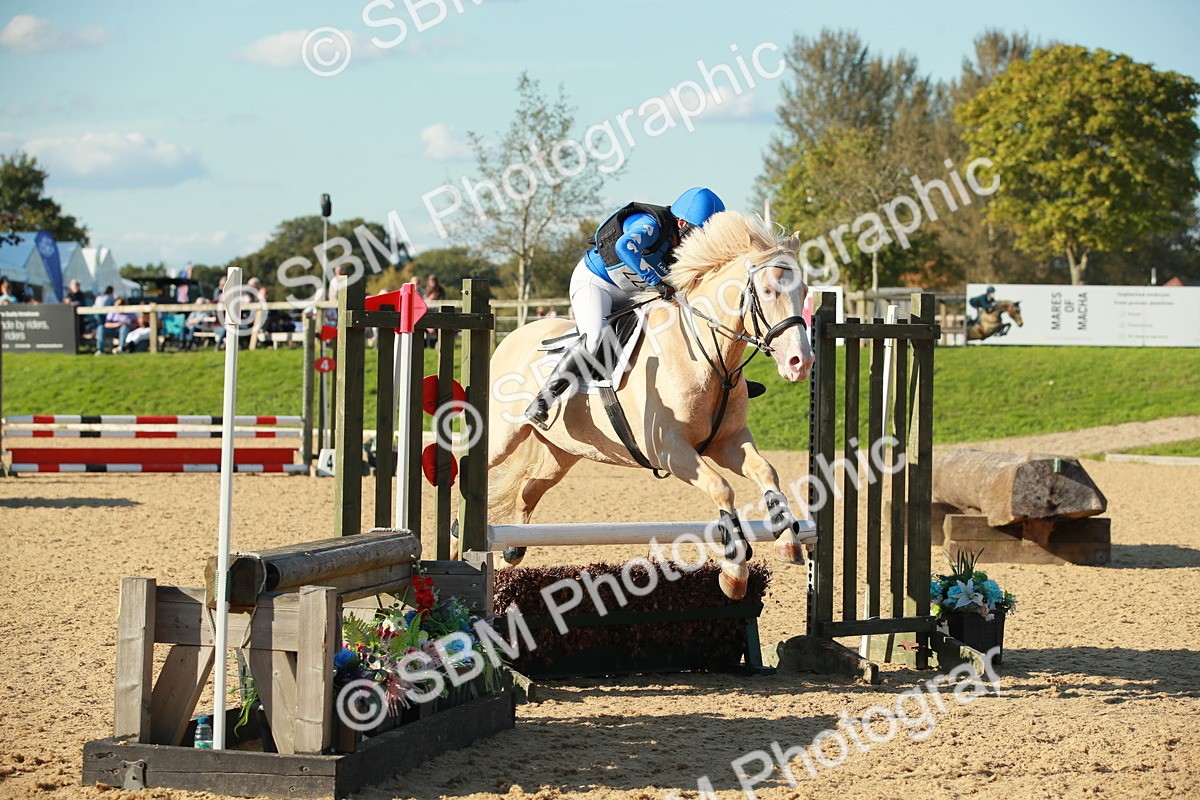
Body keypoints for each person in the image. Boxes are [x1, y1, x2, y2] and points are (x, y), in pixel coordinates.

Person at [523, 186, 725, 428]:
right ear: (681, 223)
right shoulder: (650, 224)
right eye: (698, 234)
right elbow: (624, 247)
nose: (699, 242)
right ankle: (543, 399)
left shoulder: (682, 240)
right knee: (594, 339)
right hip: (596, 284)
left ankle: (724, 381)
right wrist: (656, 282)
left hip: (632, 292)